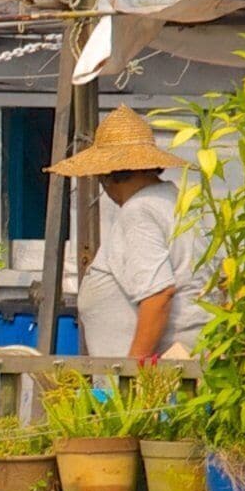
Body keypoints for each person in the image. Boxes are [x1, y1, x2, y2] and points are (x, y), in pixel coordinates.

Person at [50, 105, 210, 361]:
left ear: (106, 175)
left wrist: (132, 375)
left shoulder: (139, 212)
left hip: (155, 382)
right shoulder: (176, 202)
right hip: (192, 365)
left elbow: (158, 295)